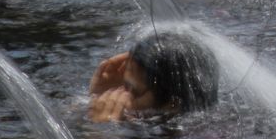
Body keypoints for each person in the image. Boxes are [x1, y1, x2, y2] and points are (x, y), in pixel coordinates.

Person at [88, 31, 219, 123]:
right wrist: (96, 97)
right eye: (124, 85)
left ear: (172, 104)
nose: (118, 94)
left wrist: (102, 136)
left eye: (133, 91)